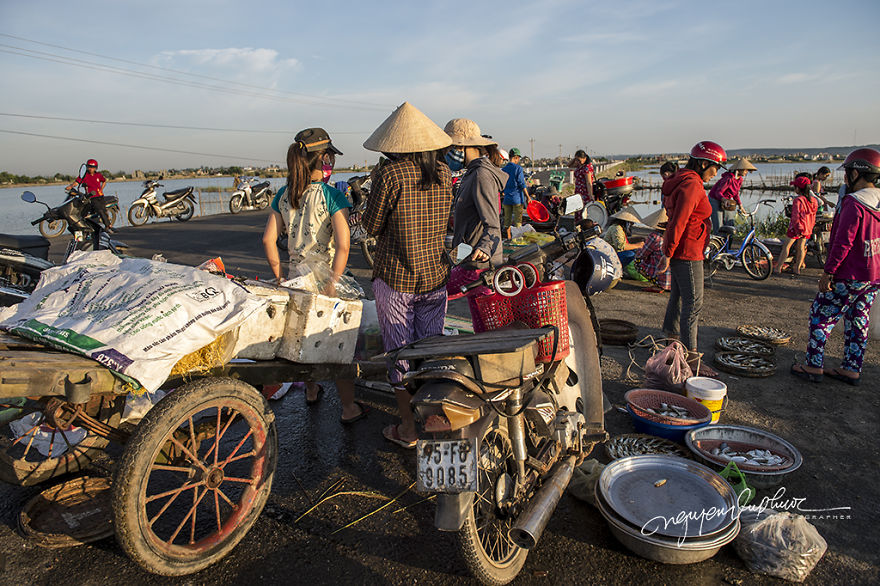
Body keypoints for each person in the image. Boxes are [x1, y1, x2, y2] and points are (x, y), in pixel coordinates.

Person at [361, 102, 454, 448]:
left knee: (399, 355)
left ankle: (408, 429)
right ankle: (432, 424)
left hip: (397, 278)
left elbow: (370, 226)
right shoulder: (444, 173)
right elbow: (446, 223)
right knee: (429, 354)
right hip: (434, 276)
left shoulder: (390, 175)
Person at [261, 127, 366, 424]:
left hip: (295, 280)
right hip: (325, 282)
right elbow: (344, 244)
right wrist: (334, 281)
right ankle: (348, 408)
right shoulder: (332, 195)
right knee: (338, 347)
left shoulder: (283, 194)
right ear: (325, 160)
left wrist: (280, 276)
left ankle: (310, 390)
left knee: (302, 341)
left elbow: (268, 240)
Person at [791, 148, 880, 386]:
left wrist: (828, 272)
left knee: (821, 317)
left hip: (849, 273)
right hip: (873, 276)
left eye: (847, 173)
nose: (844, 178)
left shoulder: (855, 203)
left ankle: (813, 365)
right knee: (858, 320)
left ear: (857, 173)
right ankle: (852, 368)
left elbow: (842, 242)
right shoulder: (877, 202)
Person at [660, 140, 728, 376]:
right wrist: (667, 253)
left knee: (679, 298)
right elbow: (679, 220)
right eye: (714, 167)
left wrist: (669, 251)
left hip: (685, 248)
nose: (715, 173)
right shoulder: (692, 185)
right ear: (702, 163)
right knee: (694, 303)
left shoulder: (683, 180)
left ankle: (670, 344)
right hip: (688, 251)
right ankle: (692, 358)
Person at [448, 118, 507, 270]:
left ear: (464, 147)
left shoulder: (481, 175)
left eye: (452, 147)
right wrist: (453, 258)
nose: (448, 153)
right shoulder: (470, 174)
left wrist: (485, 248)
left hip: (479, 267)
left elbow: (492, 225)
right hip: (466, 259)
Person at [774, 176, 819, 276]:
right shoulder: (814, 200)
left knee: (786, 246)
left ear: (798, 188)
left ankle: (778, 267)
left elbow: (795, 216)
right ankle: (797, 268)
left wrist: (797, 228)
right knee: (801, 247)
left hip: (796, 228)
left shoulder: (798, 200)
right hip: (807, 227)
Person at [707, 158, 756, 233]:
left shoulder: (740, 180)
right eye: (745, 170)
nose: (746, 172)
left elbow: (735, 193)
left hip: (726, 200)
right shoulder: (729, 178)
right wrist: (724, 200)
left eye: (747, 170)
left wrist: (740, 205)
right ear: (739, 169)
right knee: (719, 225)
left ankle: (727, 243)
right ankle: (718, 242)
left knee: (730, 224)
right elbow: (718, 193)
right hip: (715, 199)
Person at [67, 158, 114, 232]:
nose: (91, 169)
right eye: (89, 167)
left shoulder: (98, 175)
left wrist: (101, 189)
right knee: (82, 211)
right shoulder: (84, 175)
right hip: (90, 196)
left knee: (100, 210)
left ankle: (108, 225)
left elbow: (104, 181)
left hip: (99, 196)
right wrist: (71, 186)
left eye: (92, 167)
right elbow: (77, 182)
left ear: (95, 168)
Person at [635, 207, 672, 291]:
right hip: (675, 282)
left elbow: (641, 255)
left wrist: (638, 247)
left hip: (663, 277)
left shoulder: (655, 237)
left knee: (637, 261)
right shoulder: (674, 236)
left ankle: (659, 284)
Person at [501, 147, 530, 234]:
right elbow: (522, 184)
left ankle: (509, 238)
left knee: (507, 222)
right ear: (516, 157)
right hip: (517, 199)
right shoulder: (518, 168)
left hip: (506, 199)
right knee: (518, 222)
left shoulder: (503, 169)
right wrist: (528, 197)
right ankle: (518, 239)